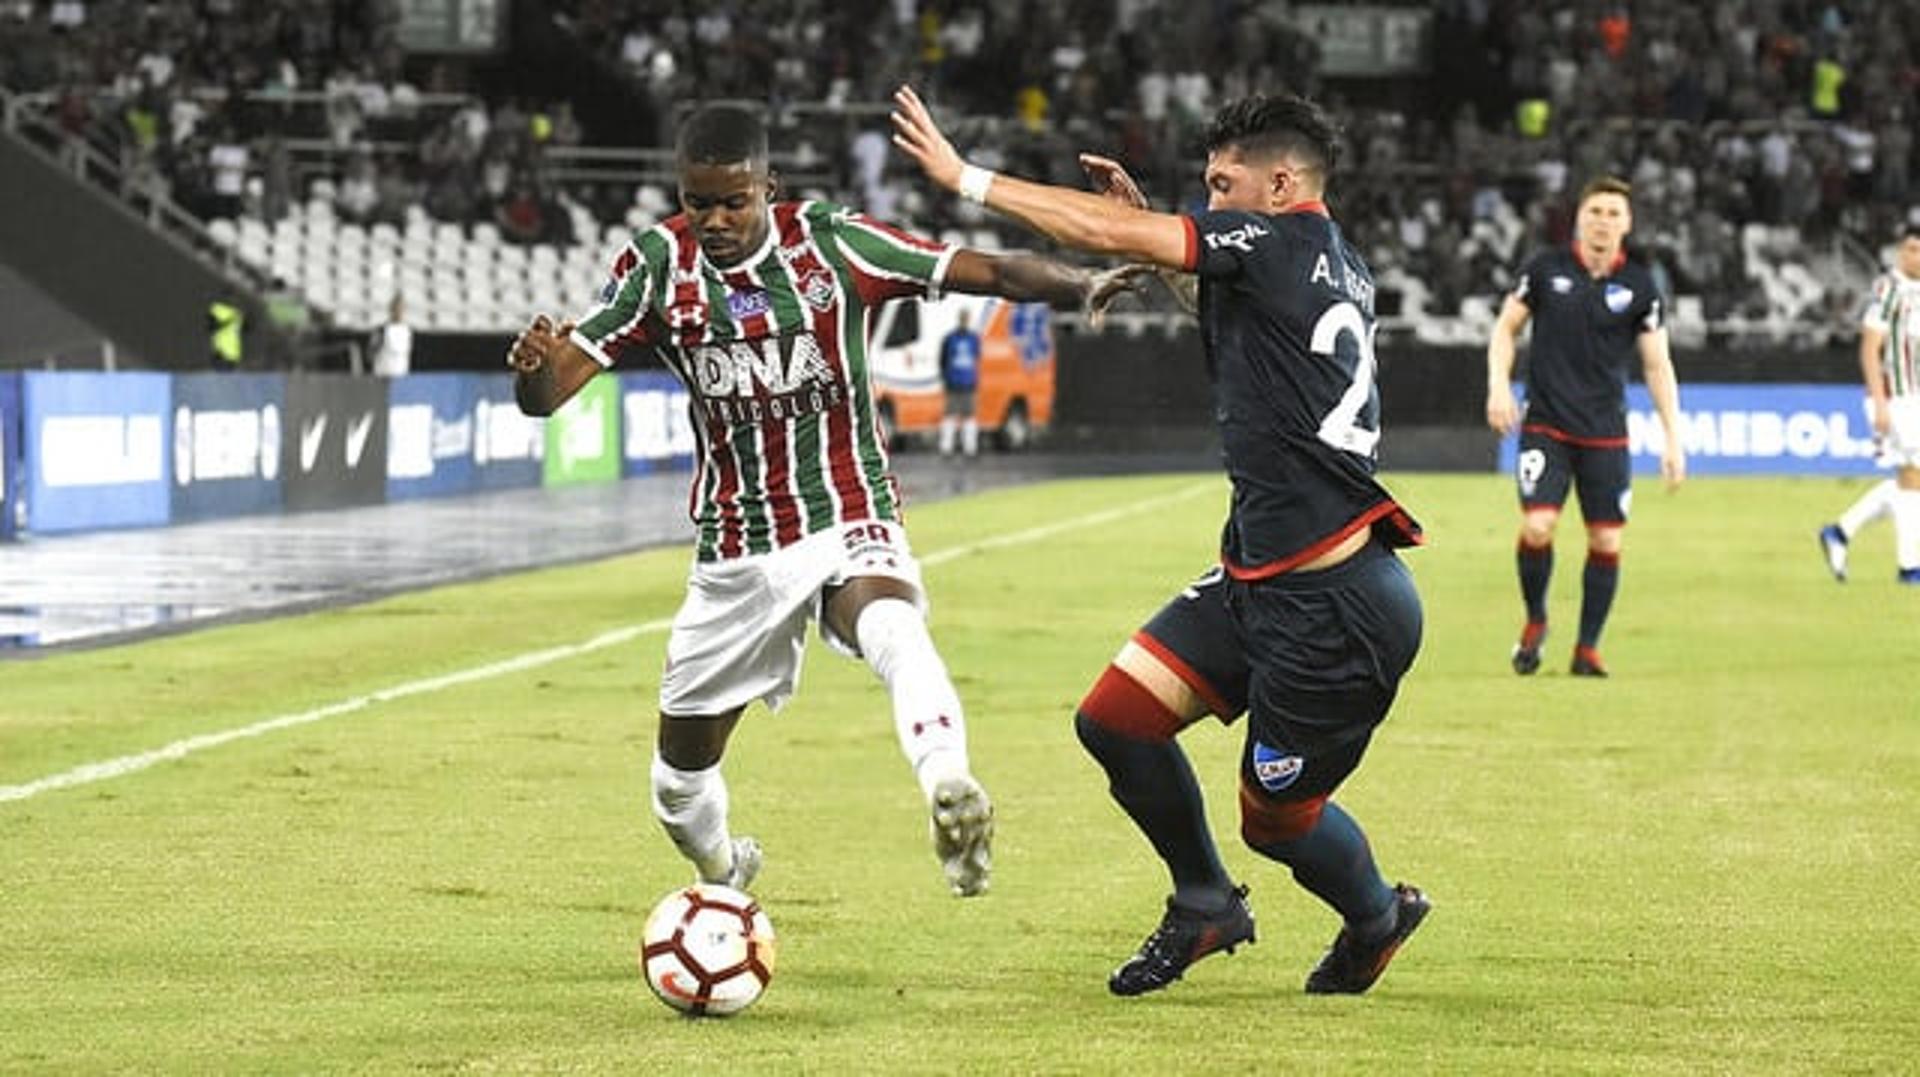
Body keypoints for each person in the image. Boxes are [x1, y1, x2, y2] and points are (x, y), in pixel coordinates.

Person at [507, 102, 1128, 900]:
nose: (718, 219)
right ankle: (725, 870)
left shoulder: (832, 242)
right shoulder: (657, 265)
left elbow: (988, 270)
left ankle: (950, 784)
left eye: (736, 200)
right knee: (675, 788)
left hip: (845, 510)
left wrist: (1083, 282)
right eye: (700, 202)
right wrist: (530, 367)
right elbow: (550, 392)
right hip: (735, 546)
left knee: (893, 623)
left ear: (772, 185)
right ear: (680, 194)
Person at [892, 85, 1430, 995]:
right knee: (1116, 719)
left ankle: (1377, 914)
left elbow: (1112, 239)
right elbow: (1228, 306)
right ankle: (1206, 902)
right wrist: (1163, 237)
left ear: (1282, 182)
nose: (1210, 200)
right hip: (1261, 578)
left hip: (1335, 609)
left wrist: (965, 177)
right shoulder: (1326, 258)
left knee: (1277, 817)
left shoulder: (1278, 236)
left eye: (1223, 185)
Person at [1485, 176, 1686, 677]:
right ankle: (1535, 620)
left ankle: (1587, 649)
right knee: (1538, 524)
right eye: (1595, 210)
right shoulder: (1544, 269)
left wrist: (1672, 439)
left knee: (1606, 541)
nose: (1603, 220)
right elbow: (1505, 329)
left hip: (1606, 433)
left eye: (1614, 213)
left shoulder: (1640, 285)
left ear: (1628, 223)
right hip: (1547, 425)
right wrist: (1498, 386)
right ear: (1579, 217)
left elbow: (1658, 365)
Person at [1818, 224, 1920, 584]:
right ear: (1899, 252)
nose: (1917, 257)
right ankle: (1909, 568)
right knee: (1912, 477)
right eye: (1911, 249)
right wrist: (1878, 402)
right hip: (1896, 397)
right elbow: (1869, 349)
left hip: (1916, 396)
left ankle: (1840, 531)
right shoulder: (1887, 290)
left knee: (1910, 481)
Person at [937, 308, 982, 457]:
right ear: (959, 319)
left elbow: (976, 359)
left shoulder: (974, 338)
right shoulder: (949, 338)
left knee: (969, 416)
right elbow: (942, 360)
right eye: (963, 318)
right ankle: (946, 448)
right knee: (950, 414)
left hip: (968, 382)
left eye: (966, 318)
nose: (964, 321)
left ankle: (970, 448)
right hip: (953, 382)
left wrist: (974, 379)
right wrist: (945, 377)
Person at [369, 295, 413, 377]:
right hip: (384, 376)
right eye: (396, 308)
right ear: (391, 309)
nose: (399, 311)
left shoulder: (407, 330)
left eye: (401, 309)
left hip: (401, 375)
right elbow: (371, 354)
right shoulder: (381, 330)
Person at [207, 297, 244, 372]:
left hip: (230, 353)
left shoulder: (236, 313)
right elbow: (211, 327)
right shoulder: (216, 309)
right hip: (222, 352)